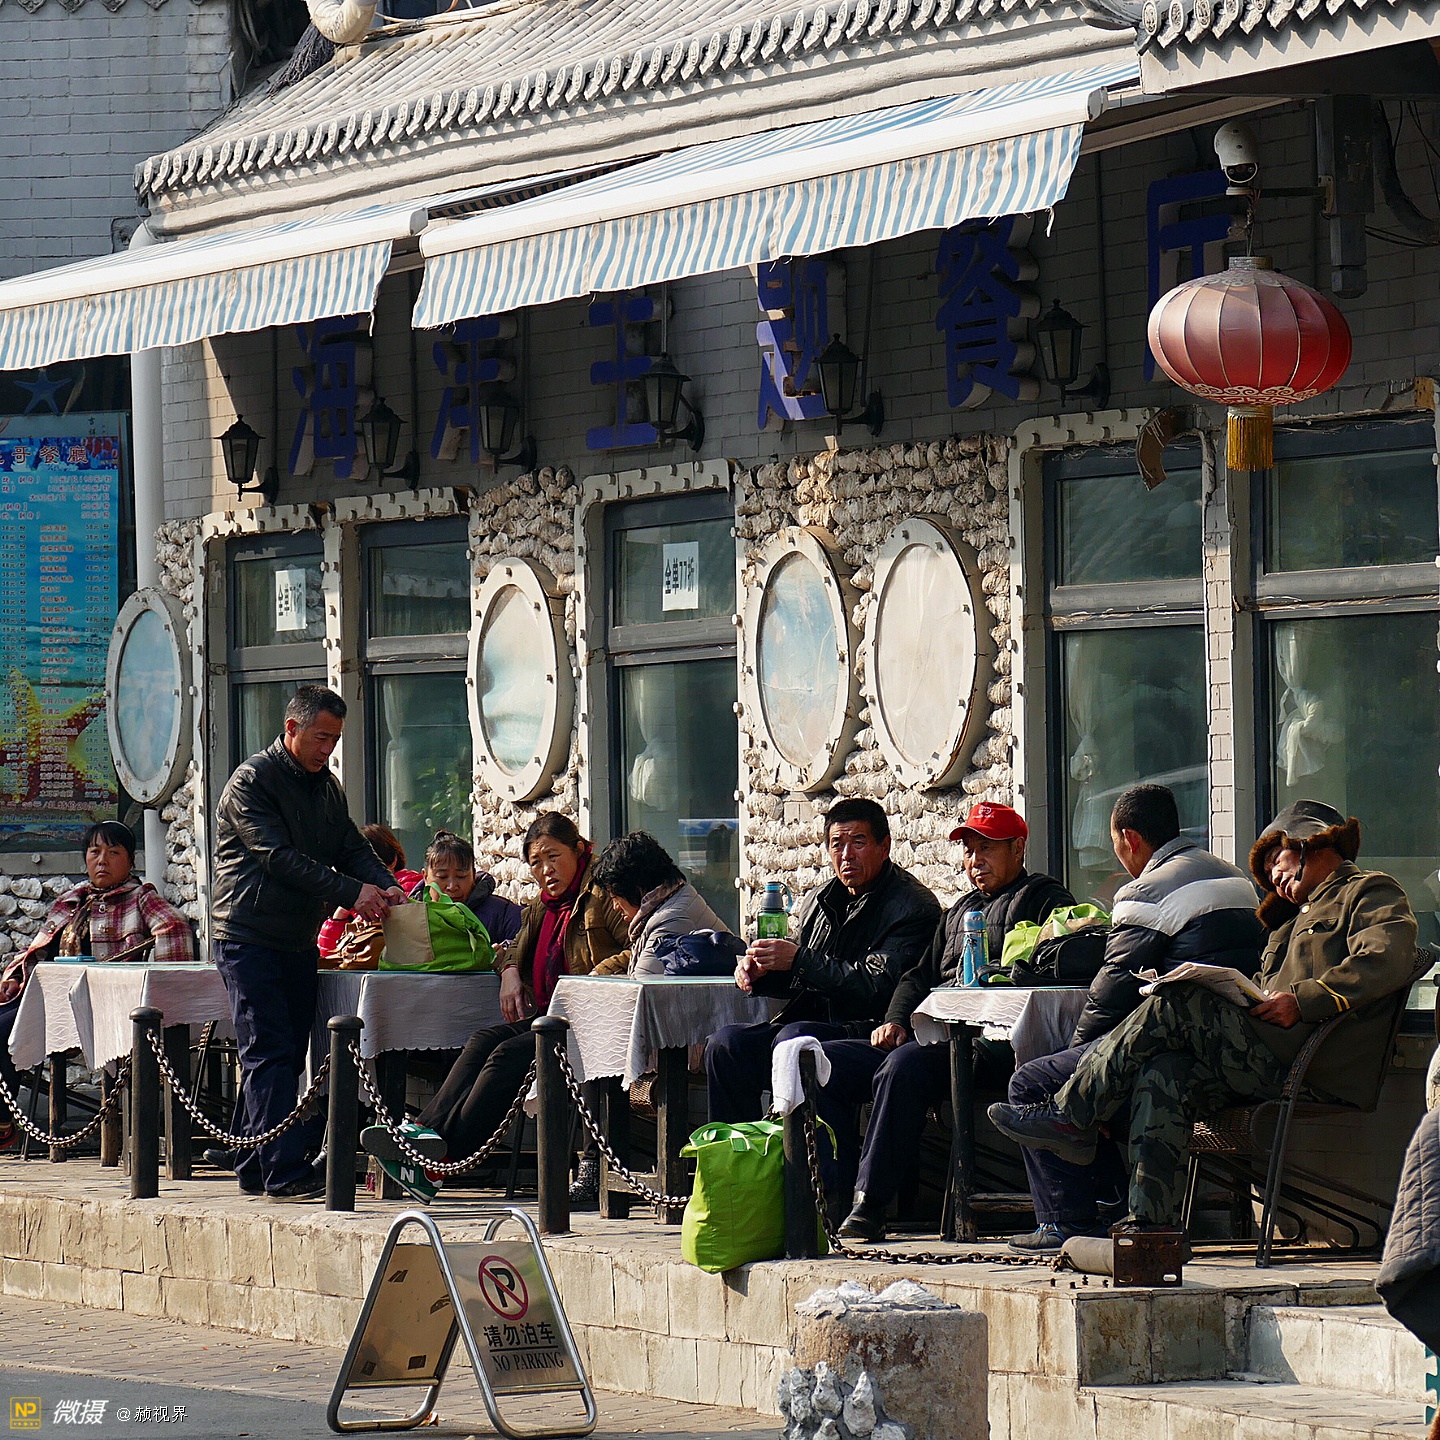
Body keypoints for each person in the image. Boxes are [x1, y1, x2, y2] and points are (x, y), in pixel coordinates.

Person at [992, 800, 1416, 1236]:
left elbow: (1387, 957)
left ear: (1311, 843)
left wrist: (1304, 1000)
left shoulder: (1368, 891)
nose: (1274, 876)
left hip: (1312, 1064)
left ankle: (1071, 1116)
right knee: (1165, 1071)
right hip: (1267, 1056)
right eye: (1268, 870)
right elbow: (1266, 989)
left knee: (1178, 998)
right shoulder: (1287, 922)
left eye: (1277, 859)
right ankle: (1152, 1229)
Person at [993, 783, 1262, 1250]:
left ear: (1129, 839)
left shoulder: (1148, 890)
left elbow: (1111, 993)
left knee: (1032, 1082)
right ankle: (1124, 1211)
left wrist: (1080, 1062)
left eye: (1115, 843)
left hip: (1177, 1040)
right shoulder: (1235, 876)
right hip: (1230, 1051)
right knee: (1137, 1076)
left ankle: (1066, 1221)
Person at [817, 803, 1074, 1241]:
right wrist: (896, 1020)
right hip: (942, 1040)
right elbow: (919, 976)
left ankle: (870, 1204)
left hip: (1001, 1048)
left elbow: (1058, 966)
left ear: (1018, 848)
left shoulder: (1045, 899)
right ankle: (826, 1202)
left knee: (903, 1067)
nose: (976, 861)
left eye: (987, 849)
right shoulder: (958, 912)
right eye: (969, 851)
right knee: (823, 1061)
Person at [361, 811, 627, 1205]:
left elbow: (635, 949)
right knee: (484, 1038)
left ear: (578, 850)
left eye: (553, 857)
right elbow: (514, 946)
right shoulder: (545, 905)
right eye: (536, 862)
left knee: (506, 1056)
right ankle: (422, 1134)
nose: (545, 870)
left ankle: (439, 1161)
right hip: (554, 1016)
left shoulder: (601, 896)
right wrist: (510, 971)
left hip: (592, 1018)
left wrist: (587, 982)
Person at [211, 685, 408, 1201]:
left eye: (335, 739)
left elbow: (351, 845)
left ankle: (253, 1164)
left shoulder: (327, 787)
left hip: (296, 937)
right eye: (320, 737)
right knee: (269, 1050)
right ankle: (281, 1171)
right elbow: (278, 857)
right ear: (291, 728)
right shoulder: (252, 780)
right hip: (247, 934)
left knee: (285, 1050)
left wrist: (384, 883)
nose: (327, 749)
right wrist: (353, 893)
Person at [704, 798, 940, 1135]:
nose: (847, 855)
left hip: (868, 1030)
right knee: (726, 1045)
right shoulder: (821, 897)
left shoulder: (913, 906)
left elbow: (878, 985)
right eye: (836, 844)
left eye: (858, 842)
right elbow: (803, 973)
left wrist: (798, 960)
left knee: (795, 1040)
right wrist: (763, 972)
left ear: (884, 846)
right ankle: (740, 1157)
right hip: (812, 1022)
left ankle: (813, 1165)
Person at [0, 820, 194, 1143]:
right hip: (50, 997)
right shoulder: (72, 900)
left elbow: (174, 929)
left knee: (3, 1031)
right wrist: (14, 977)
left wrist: (153, 990)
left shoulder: (140, 898)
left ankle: (3, 1126)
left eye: (113, 852)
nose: (102, 860)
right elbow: (37, 947)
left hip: (96, 1006)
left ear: (130, 861)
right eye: (94, 852)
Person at [589, 830, 730, 976]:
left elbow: (642, 984)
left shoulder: (671, 917)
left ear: (636, 887)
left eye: (615, 897)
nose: (615, 907)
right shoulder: (673, 900)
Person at [317, 824, 423, 958]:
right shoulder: (354, 898)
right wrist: (339, 917)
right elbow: (328, 956)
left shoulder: (408, 890)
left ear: (392, 861)